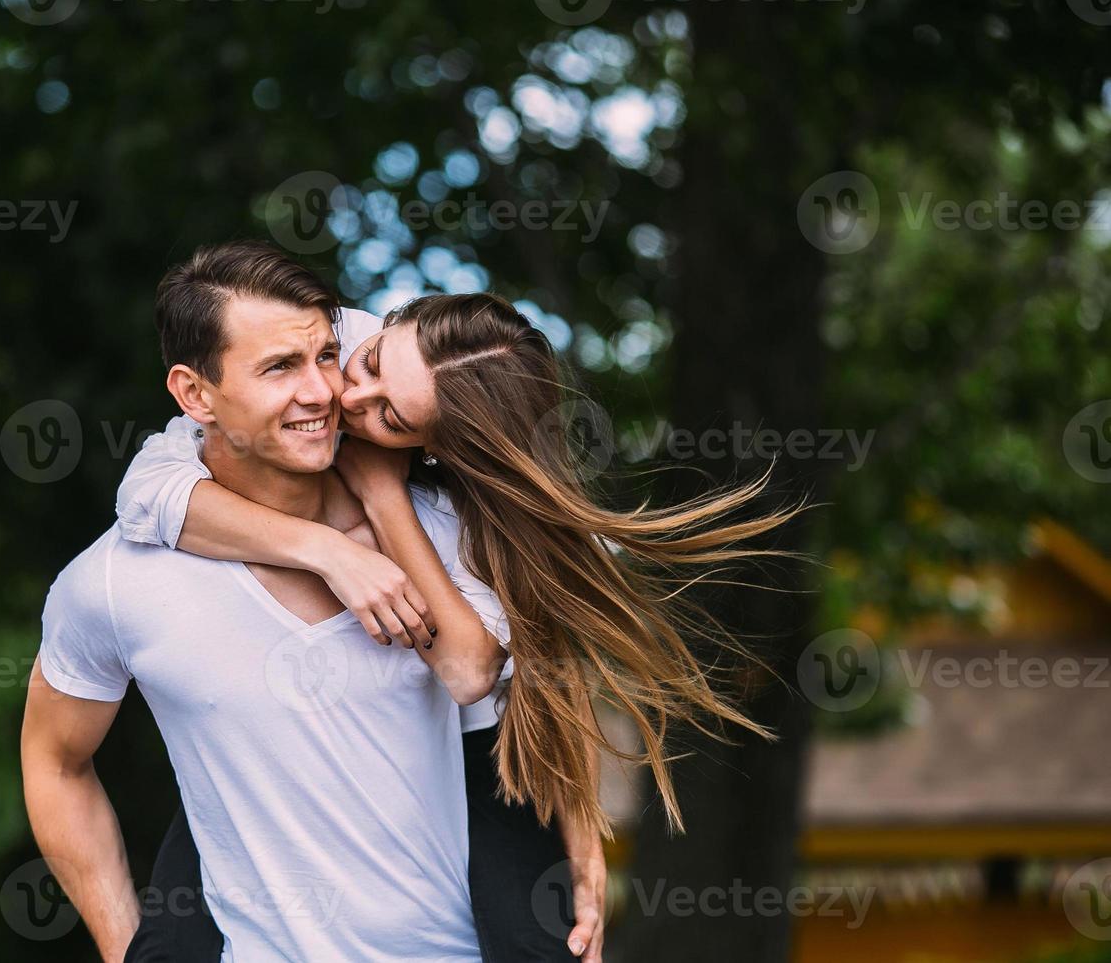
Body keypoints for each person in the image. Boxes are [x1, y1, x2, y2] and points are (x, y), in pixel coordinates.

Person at [116, 245, 799, 963]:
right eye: (371, 365)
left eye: (391, 418)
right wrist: (327, 551)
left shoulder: (472, 524)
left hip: (475, 745)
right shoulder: (324, 343)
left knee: (540, 943)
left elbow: (488, 675)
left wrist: (383, 498)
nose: (346, 400)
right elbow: (146, 493)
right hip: (285, 739)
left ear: (439, 449)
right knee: (170, 940)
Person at [22, 242, 520, 962]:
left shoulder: (443, 529)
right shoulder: (112, 580)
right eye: (280, 368)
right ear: (195, 396)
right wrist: (125, 948)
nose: (323, 393)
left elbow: (512, 694)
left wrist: (584, 847)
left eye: (325, 356)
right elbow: (54, 764)